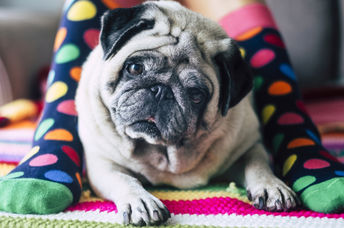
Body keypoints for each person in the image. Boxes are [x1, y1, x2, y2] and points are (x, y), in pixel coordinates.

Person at [0, 0, 343, 214]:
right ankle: (58, 132)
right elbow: (105, 167)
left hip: (214, 10)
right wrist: (126, 193)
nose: (157, 96)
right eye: (136, 68)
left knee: (245, 17)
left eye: (194, 93)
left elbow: (246, 147)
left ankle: (294, 133)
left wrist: (259, 173)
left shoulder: (234, 105)